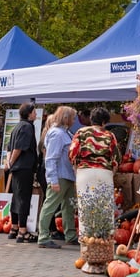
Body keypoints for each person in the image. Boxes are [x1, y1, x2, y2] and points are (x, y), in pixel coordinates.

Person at [69, 107, 119, 245]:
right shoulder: (109, 135)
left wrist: (76, 167)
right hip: (104, 172)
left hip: (84, 172)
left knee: (85, 206)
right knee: (105, 207)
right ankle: (105, 240)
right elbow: (116, 158)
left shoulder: (81, 132)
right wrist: (111, 172)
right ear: (104, 122)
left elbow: (72, 152)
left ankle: (86, 241)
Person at [38, 106, 78, 249]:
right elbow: (51, 158)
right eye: (73, 118)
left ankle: (70, 235)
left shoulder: (64, 133)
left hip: (67, 176)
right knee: (50, 205)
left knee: (69, 207)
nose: (74, 120)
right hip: (60, 176)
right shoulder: (57, 134)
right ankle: (43, 237)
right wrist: (53, 180)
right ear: (65, 118)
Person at [6, 103, 38, 243]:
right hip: (24, 167)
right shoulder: (27, 127)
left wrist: (9, 162)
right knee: (24, 198)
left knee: (16, 197)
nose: (36, 114)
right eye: (34, 112)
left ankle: (14, 228)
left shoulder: (17, 126)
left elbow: (9, 147)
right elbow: (18, 148)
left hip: (17, 168)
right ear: (29, 114)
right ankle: (22, 231)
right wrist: (12, 162)